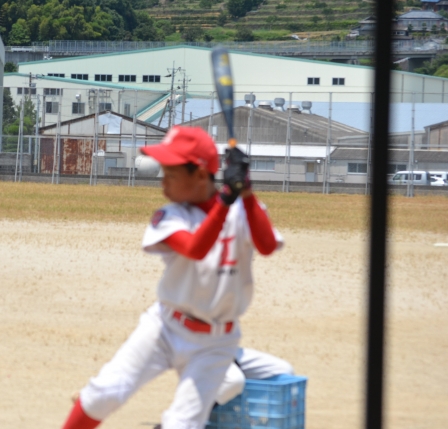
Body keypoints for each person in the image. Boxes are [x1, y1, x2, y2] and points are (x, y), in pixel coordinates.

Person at [61, 126, 283, 429]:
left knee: (182, 424)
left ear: (201, 175)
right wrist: (225, 199)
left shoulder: (244, 209)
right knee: (104, 394)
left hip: (216, 343)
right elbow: (195, 249)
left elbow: (267, 246)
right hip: (165, 327)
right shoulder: (170, 215)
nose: (163, 181)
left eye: (171, 174)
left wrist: (246, 192)